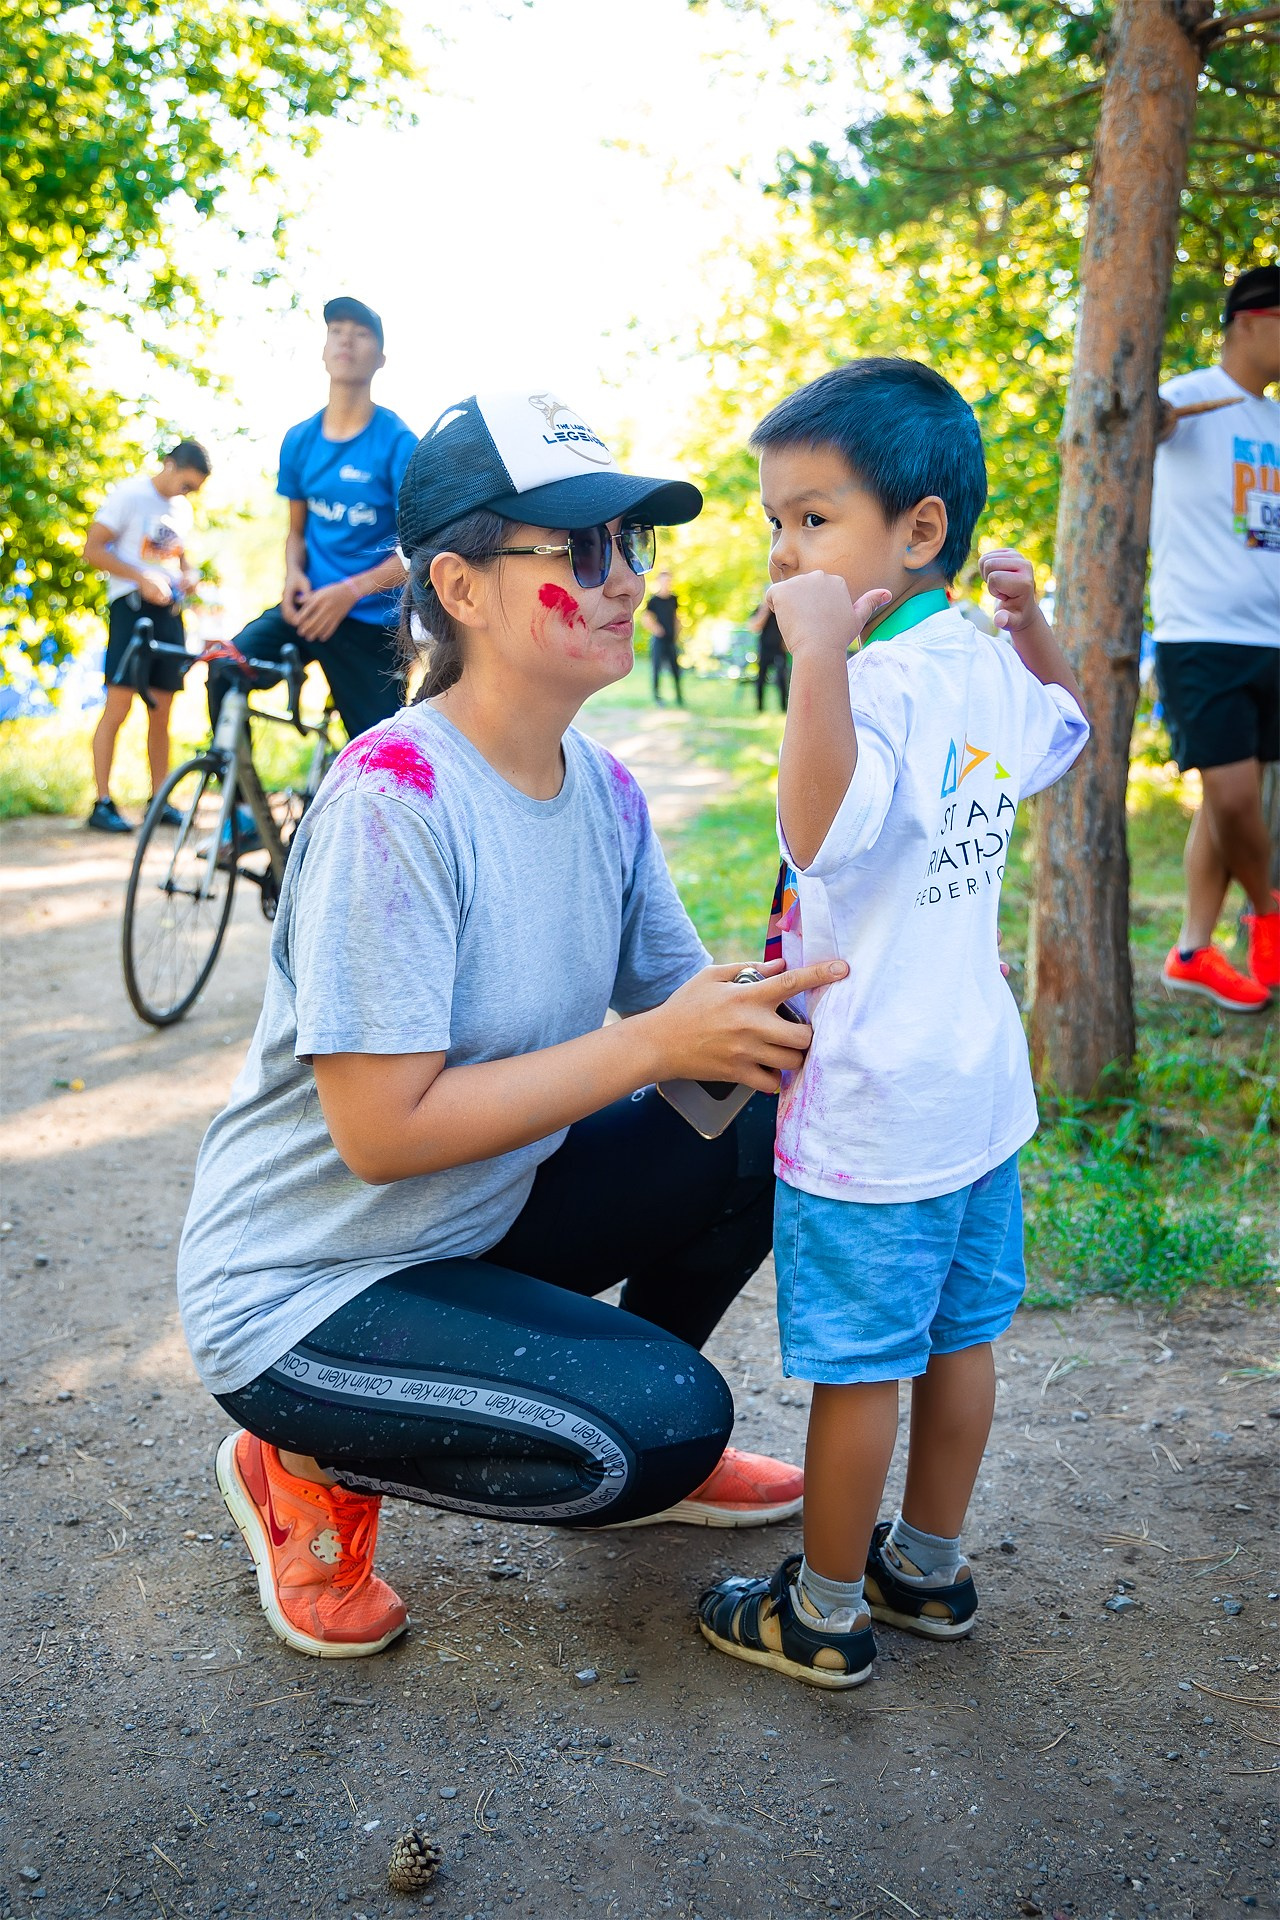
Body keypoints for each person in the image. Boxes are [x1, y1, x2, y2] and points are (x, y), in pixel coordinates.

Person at [178, 386, 841, 1659]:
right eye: (578, 550)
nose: (621, 581)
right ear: (461, 589)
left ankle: (570, 1385)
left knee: (763, 1128)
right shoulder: (397, 799)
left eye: (631, 547)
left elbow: (692, 1032)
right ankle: (302, 1458)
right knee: (659, 1427)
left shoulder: (601, 787)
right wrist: (652, 1047)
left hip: (476, 1224)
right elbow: (378, 1133)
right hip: (308, 1287)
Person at [697, 359, 1089, 1689]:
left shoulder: (868, 683)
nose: (783, 551)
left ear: (917, 530)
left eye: (814, 520)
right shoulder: (976, 661)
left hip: (874, 1107)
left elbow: (814, 830)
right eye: (775, 524)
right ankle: (925, 1568)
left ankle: (820, 1608)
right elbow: (1069, 723)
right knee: (962, 1342)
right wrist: (1030, 621)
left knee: (864, 1371)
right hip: (978, 1093)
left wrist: (816, 654)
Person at [1153, 263, 1280, 1013]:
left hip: (1272, 640)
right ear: (1254, 321)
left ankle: (1194, 950)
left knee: (1228, 802)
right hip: (1201, 635)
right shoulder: (1186, 396)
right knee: (1233, 801)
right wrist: (1156, 415)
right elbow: (1143, 423)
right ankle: (1268, 914)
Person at [206, 297, 416, 745]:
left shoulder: (398, 443)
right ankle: (239, 810)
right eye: (336, 329)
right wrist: (293, 577)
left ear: (380, 358)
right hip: (306, 611)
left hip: (370, 623)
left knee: (385, 751)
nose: (345, 338)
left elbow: (419, 550)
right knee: (224, 669)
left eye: (360, 332)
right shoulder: (299, 440)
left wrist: (350, 591)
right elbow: (296, 533)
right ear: (323, 350)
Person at [83, 440, 211, 832]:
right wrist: (141, 579)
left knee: (162, 711)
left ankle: (159, 799)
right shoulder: (131, 494)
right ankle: (102, 802)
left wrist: (189, 576)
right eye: (187, 484)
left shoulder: (182, 509)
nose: (187, 493)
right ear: (170, 466)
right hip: (132, 612)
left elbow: (178, 556)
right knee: (118, 706)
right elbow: (91, 549)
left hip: (169, 615)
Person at [643, 567, 683, 704]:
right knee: (657, 668)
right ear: (659, 581)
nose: (667, 583)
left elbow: (676, 617)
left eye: (669, 580)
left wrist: (678, 632)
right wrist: (657, 629)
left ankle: (679, 697)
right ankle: (657, 697)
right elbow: (646, 619)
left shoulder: (673, 599)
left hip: (671, 639)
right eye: (664, 580)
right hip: (659, 640)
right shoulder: (653, 600)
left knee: (675, 669)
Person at [749, 600, 789, 711]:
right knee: (761, 678)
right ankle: (760, 707)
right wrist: (764, 610)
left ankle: (783, 707)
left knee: (782, 677)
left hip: (779, 650)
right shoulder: (761, 608)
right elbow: (754, 626)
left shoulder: (782, 609)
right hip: (765, 649)